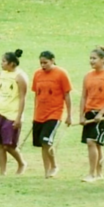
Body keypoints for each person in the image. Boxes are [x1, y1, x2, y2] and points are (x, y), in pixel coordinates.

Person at [32, 51, 73, 179]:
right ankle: (46, 169)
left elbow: (67, 95)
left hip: (54, 112)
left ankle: (54, 165)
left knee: (46, 140)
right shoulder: (37, 74)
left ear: (53, 60)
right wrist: (35, 111)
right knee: (42, 143)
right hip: (40, 113)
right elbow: (36, 94)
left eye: (46, 62)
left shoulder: (61, 74)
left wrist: (69, 114)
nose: (43, 65)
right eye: (41, 63)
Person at [0, 49, 28, 175]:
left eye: (4, 61)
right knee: (0, 144)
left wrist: (19, 117)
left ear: (12, 64)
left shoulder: (20, 77)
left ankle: (21, 163)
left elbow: (22, 98)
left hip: (12, 114)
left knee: (8, 145)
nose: (2, 63)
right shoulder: (0, 75)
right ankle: (2, 172)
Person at [79, 46, 104, 182]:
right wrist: (81, 115)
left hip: (103, 115)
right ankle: (99, 173)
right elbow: (83, 97)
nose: (91, 61)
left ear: (103, 59)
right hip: (89, 113)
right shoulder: (88, 76)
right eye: (90, 58)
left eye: (94, 58)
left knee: (91, 141)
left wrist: (101, 113)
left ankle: (92, 174)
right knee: (96, 144)